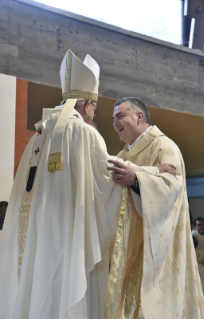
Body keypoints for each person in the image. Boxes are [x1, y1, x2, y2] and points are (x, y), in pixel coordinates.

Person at [0, 52, 174, 319]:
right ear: (88, 104)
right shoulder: (83, 132)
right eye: (96, 108)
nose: (94, 113)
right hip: (70, 237)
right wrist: (150, 172)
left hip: (38, 235)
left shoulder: (39, 133)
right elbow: (111, 177)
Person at [105, 97, 204, 319]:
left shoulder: (163, 146)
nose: (114, 123)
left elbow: (171, 187)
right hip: (128, 246)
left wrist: (137, 178)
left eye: (120, 116)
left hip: (160, 248)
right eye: (113, 119)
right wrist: (149, 172)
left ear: (139, 116)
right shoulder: (122, 157)